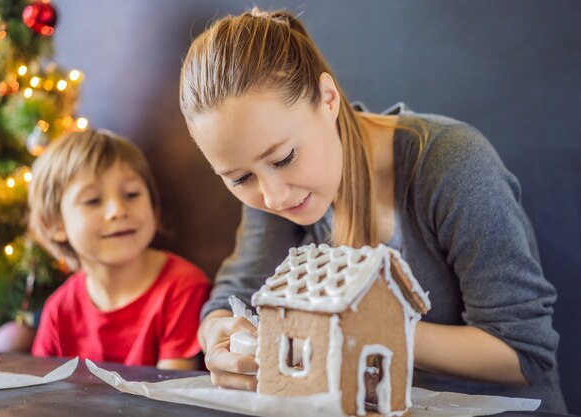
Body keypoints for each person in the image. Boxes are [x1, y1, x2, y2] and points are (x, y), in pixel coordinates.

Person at [178, 8, 566, 411]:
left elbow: (523, 353)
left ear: (327, 100)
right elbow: (232, 296)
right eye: (240, 179)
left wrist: (363, 328)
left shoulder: (452, 165)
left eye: (284, 158)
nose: (272, 197)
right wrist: (219, 336)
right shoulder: (277, 191)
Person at [26, 129, 211, 370]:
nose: (118, 210)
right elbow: (43, 392)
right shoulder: (59, 309)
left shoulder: (183, 287)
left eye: (132, 194)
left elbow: (170, 393)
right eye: (93, 200)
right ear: (55, 224)